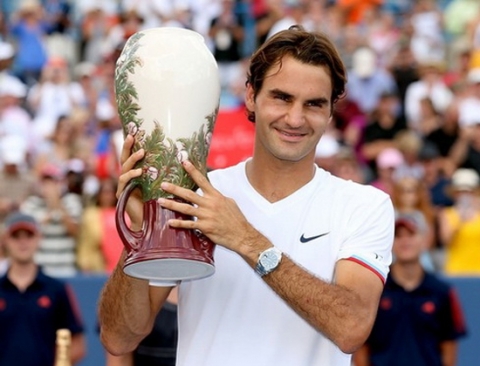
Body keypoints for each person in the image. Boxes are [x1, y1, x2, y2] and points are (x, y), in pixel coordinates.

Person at [99, 25, 395, 366]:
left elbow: (351, 328)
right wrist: (139, 234)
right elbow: (119, 337)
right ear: (251, 96)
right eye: (282, 97)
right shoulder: (195, 194)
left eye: (314, 104)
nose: (295, 118)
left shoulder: (363, 205)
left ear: (331, 112)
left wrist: (246, 239)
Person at [353, 212, 467, 366]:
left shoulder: (442, 292)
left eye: (411, 234)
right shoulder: (375, 289)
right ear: (390, 242)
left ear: (425, 240)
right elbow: (361, 345)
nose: (405, 241)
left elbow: (449, 345)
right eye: (398, 236)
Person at [0, 211, 86, 366]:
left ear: (39, 238)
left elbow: (76, 344)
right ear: (5, 240)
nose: (23, 242)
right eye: (16, 236)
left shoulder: (56, 290)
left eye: (29, 235)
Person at [438, 168, 480, 276]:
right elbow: (446, 240)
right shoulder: (447, 213)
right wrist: (460, 220)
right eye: (460, 192)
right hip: (455, 270)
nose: (465, 195)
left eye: (469, 191)